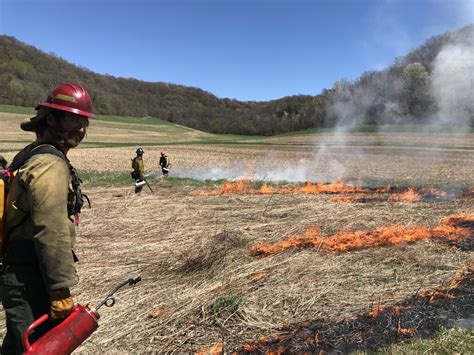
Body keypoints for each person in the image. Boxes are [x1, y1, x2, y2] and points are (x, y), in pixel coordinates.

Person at [0, 83, 94, 354]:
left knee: (18, 346)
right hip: (30, 276)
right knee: (38, 348)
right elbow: (50, 229)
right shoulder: (50, 164)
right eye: (73, 119)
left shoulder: (31, 154)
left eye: (84, 121)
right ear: (50, 119)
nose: (81, 128)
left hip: (19, 272)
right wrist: (60, 290)